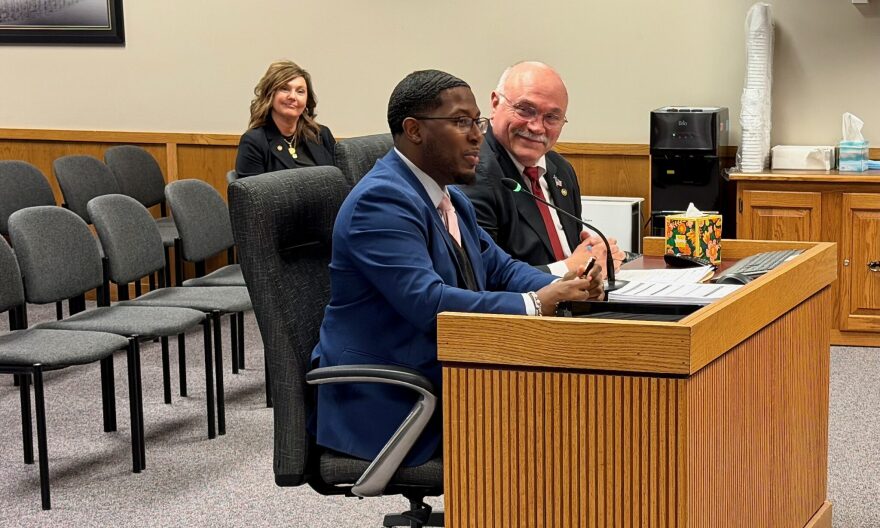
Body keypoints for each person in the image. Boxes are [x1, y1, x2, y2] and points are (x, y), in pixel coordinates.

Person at [310, 70, 604, 466]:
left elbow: (502, 268)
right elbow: (429, 303)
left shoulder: (448, 197)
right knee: (565, 429)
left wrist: (569, 283)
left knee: (585, 406)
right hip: (396, 399)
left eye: (477, 122)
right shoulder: (380, 202)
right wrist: (536, 303)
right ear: (414, 130)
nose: (477, 135)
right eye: (461, 122)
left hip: (454, 373)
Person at [461, 61, 626, 277]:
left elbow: (574, 255)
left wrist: (595, 256)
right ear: (495, 104)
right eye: (525, 110)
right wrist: (570, 267)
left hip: (578, 300)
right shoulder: (472, 172)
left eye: (551, 117)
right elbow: (482, 276)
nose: (537, 127)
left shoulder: (560, 169)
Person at [234, 60, 336, 178]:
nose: (292, 96)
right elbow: (251, 195)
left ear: (307, 100)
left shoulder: (321, 134)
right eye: (285, 89)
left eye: (300, 91)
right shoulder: (254, 142)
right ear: (270, 95)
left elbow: (340, 183)